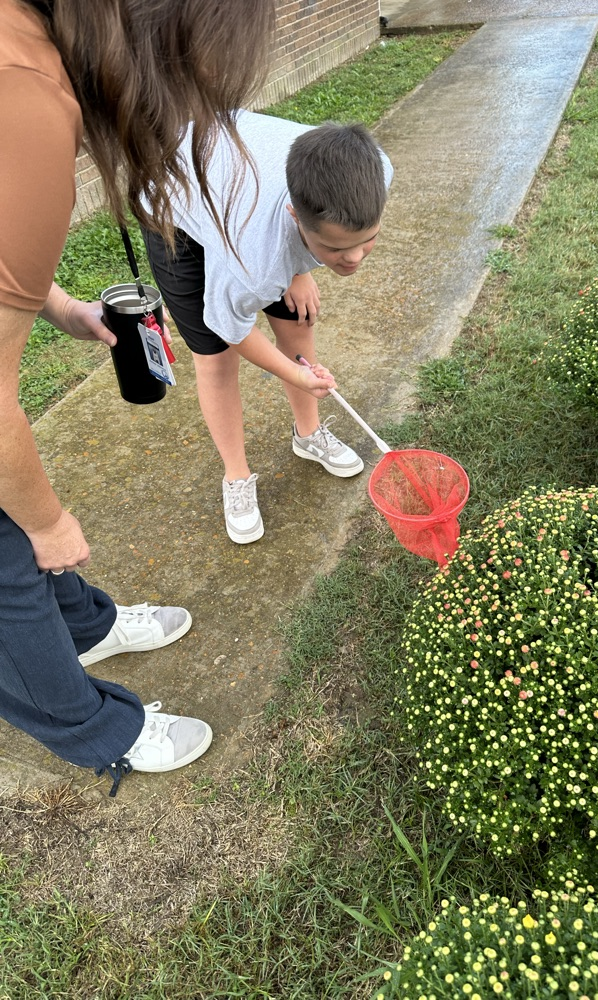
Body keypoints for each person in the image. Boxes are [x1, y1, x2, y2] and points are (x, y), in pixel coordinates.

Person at [0, 0, 280, 795]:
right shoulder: (29, 100)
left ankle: (85, 628)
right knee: (9, 554)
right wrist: (48, 522)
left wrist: (57, 306)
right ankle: (96, 732)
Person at [142, 111, 393, 544]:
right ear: (296, 218)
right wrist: (296, 373)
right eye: (335, 248)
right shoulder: (255, 262)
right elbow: (231, 328)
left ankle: (308, 435)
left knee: (298, 320)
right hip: (175, 208)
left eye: (366, 239)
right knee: (215, 359)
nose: (354, 258)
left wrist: (303, 267)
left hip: (241, 191)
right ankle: (236, 476)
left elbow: (298, 237)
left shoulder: (378, 169)